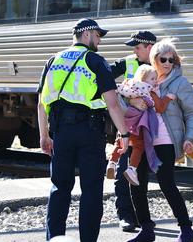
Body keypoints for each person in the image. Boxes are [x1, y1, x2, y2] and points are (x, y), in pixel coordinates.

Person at [37, 18, 131, 242]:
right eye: (98, 36)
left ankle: (55, 238)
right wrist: (125, 134)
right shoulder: (96, 61)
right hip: (89, 132)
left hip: (61, 132)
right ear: (87, 34)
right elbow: (112, 104)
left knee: (59, 187)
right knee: (91, 189)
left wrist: (44, 135)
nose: (99, 41)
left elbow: (42, 102)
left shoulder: (53, 60)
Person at [128, 39, 193, 242]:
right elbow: (127, 100)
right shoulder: (144, 78)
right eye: (163, 59)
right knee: (136, 182)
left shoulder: (180, 83)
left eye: (172, 59)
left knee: (167, 183)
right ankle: (146, 228)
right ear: (154, 60)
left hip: (165, 140)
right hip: (142, 138)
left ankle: (186, 229)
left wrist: (190, 138)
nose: (168, 63)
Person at [110, 30, 157, 232]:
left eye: (137, 47)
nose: (134, 51)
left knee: (140, 173)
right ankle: (126, 216)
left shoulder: (161, 63)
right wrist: (129, 99)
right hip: (127, 125)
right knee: (123, 169)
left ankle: (140, 217)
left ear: (149, 47)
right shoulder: (127, 63)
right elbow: (104, 79)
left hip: (148, 129)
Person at [107, 64, 176, 186]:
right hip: (137, 125)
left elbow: (118, 91)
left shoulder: (129, 85)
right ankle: (132, 169)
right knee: (139, 147)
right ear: (144, 79)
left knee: (120, 143)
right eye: (153, 79)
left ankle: (112, 162)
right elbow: (158, 107)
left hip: (125, 123)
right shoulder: (146, 90)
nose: (155, 81)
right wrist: (167, 98)